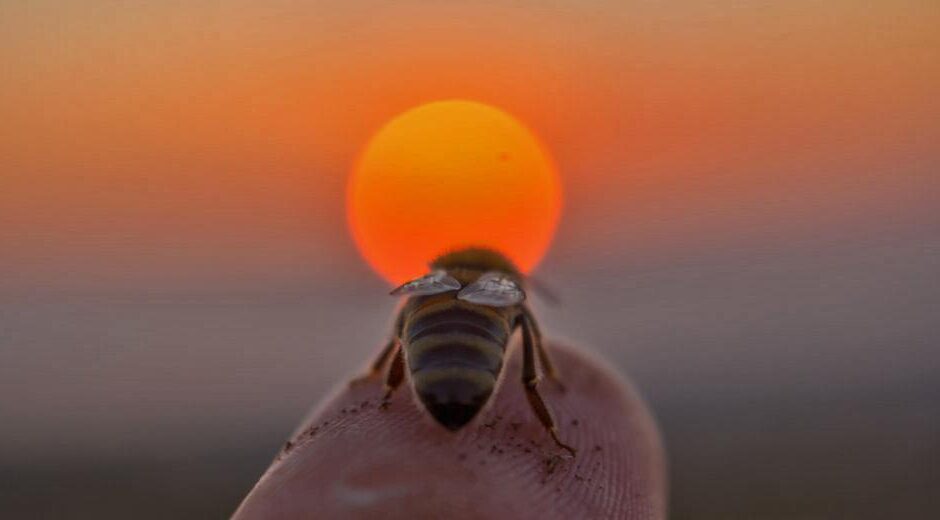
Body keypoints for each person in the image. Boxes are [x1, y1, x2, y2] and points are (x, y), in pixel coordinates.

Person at [233, 342, 666, 519]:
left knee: (415, 320)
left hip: (429, 372)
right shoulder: (505, 295)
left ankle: (388, 385)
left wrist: (384, 378)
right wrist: (545, 374)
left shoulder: (429, 290)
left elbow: (405, 328)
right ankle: (548, 425)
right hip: (474, 380)